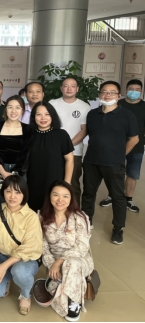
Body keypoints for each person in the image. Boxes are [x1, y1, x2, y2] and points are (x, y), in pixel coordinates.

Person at [82, 81, 139, 244]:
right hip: (91, 161)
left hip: (114, 163)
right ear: (99, 94)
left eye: (112, 92)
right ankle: (86, 221)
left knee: (118, 196)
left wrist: (120, 155)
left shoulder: (127, 115)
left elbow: (134, 139)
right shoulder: (92, 114)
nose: (107, 95)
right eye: (104, 92)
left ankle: (118, 228)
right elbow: (90, 134)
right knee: (88, 193)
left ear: (118, 96)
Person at [0, 175, 43, 315]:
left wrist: (3, 267)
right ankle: (7, 280)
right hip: (1, 256)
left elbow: (28, 248)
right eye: (8, 191)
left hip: (25, 260)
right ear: (3, 192)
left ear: (24, 194)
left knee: (19, 271)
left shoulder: (31, 216)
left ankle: (25, 295)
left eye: (17, 192)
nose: (12, 196)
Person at [40, 181, 93, 322]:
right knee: (58, 279)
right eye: (56, 195)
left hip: (79, 259)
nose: (60, 200)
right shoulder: (42, 217)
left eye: (65, 196)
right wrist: (52, 264)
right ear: (49, 196)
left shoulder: (79, 217)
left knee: (71, 264)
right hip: (53, 262)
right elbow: (42, 246)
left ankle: (74, 302)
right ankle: (62, 288)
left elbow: (82, 246)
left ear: (71, 198)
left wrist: (60, 261)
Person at [101, 79, 145, 213]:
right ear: (126, 90)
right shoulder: (117, 104)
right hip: (115, 146)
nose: (134, 92)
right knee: (113, 172)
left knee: (132, 173)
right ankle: (111, 196)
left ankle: (128, 199)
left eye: (137, 90)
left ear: (141, 91)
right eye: (131, 89)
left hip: (137, 146)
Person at [49, 77, 91, 207]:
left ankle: (74, 213)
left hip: (74, 152)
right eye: (66, 86)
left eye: (72, 86)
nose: (69, 88)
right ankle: (51, 212)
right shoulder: (52, 103)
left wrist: (66, 146)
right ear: (61, 88)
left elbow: (84, 130)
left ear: (77, 89)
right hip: (53, 150)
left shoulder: (84, 106)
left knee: (72, 184)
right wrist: (57, 147)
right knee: (51, 182)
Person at [27, 102, 74, 211]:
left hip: (55, 181)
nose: (43, 118)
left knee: (52, 212)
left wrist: (66, 183)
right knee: (33, 211)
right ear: (34, 117)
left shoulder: (61, 135)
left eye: (47, 114)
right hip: (32, 182)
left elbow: (69, 160)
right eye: (39, 114)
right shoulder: (28, 134)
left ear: (53, 116)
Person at [0, 95, 33, 205]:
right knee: (1, 205)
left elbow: (26, 154)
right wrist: (2, 172)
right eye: (10, 107)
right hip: (0, 171)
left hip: (20, 172)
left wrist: (15, 173)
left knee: (17, 205)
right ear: (5, 109)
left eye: (17, 107)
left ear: (22, 110)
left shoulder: (28, 129)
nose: (13, 111)